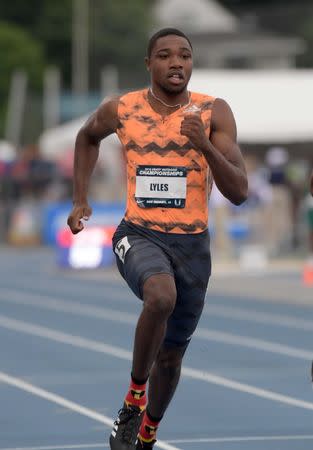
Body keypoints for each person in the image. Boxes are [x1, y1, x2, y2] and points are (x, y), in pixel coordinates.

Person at [67, 28, 248, 450]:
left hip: (193, 246)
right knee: (160, 297)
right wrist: (80, 200)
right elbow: (86, 136)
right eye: (165, 56)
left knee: (172, 356)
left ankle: (148, 430)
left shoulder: (213, 112)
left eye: (184, 55)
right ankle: (133, 400)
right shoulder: (122, 109)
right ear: (149, 64)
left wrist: (203, 144)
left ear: (192, 62)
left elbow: (239, 191)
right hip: (140, 234)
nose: (176, 63)